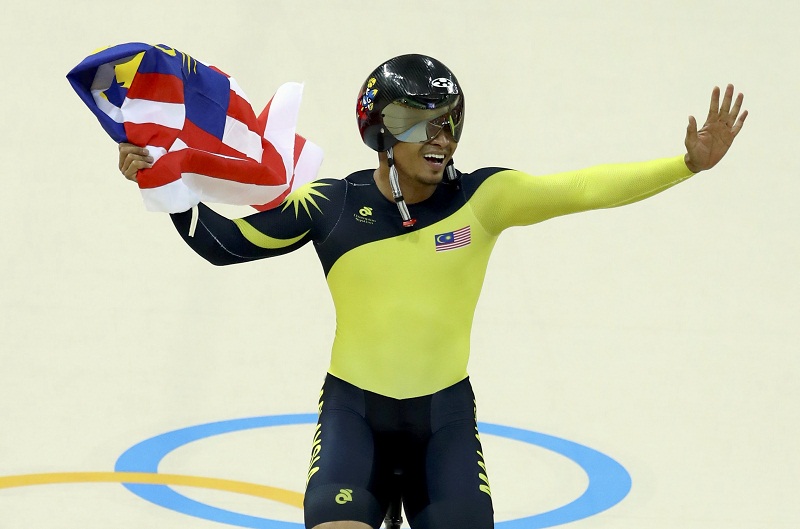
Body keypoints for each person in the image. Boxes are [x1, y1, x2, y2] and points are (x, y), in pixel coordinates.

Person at [118, 54, 747, 529]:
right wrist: (165, 186)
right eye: (420, 124)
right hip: (354, 416)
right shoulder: (330, 204)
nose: (440, 138)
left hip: (443, 420)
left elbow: (583, 189)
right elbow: (225, 245)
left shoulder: (486, 199)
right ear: (381, 132)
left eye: (448, 124)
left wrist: (685, 165)